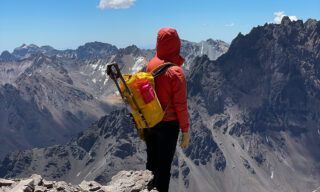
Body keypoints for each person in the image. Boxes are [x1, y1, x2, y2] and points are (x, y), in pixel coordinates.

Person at [143, 27, 190, 192]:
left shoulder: (151, 64)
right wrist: (185, 130)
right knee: (164, 167)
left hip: (150, 121)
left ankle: (147, 188)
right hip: (168, 125)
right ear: (176, 44)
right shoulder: (176, 73)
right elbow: (180, 106)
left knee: (151, 162)